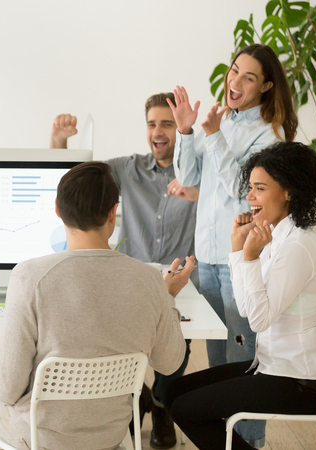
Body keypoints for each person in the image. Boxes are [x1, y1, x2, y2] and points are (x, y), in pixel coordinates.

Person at [0, 161, 193, 450]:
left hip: (43, 436)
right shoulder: (149, 279)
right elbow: (170, 364)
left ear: (57, 209)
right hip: (110, 435)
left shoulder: (29, 277)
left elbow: (7, 390)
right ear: (113, 213)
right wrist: (167, 296)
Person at [49, 93, 198, 449]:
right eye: (152, 124)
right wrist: (59, 142)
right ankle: (136, 396)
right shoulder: (126, 169)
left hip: (181, 281)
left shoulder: (197, 174)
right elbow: (76, 182)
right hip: (131, 279)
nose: (158, 132)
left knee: (176, 343)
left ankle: (160, 405)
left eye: (167, 124)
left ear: (180, 128)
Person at [164, 141, 316, 450]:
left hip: (301, 382)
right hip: (271, 366)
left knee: (185, 409)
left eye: (259, 188)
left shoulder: (297, 247)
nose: (249, 197)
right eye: (251, 188)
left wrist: (251, 256)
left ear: (288, 192)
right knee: (174, 392)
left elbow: (257, 321)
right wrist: (237, 248)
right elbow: (245, 308)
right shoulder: (276, 237)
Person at [169, 43, 297, 447]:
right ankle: (224, 441)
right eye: (234, 70)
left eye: (249, 77)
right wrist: (187, 132)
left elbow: (247, 193)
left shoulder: (269, 133)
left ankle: (251, 442)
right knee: (218, 363)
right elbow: (189, 177)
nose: (235, 82)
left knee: (243, 362)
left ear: (266, 86)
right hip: (206, 255)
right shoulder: (219, 121)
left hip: (241, 258)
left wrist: (212, 137)